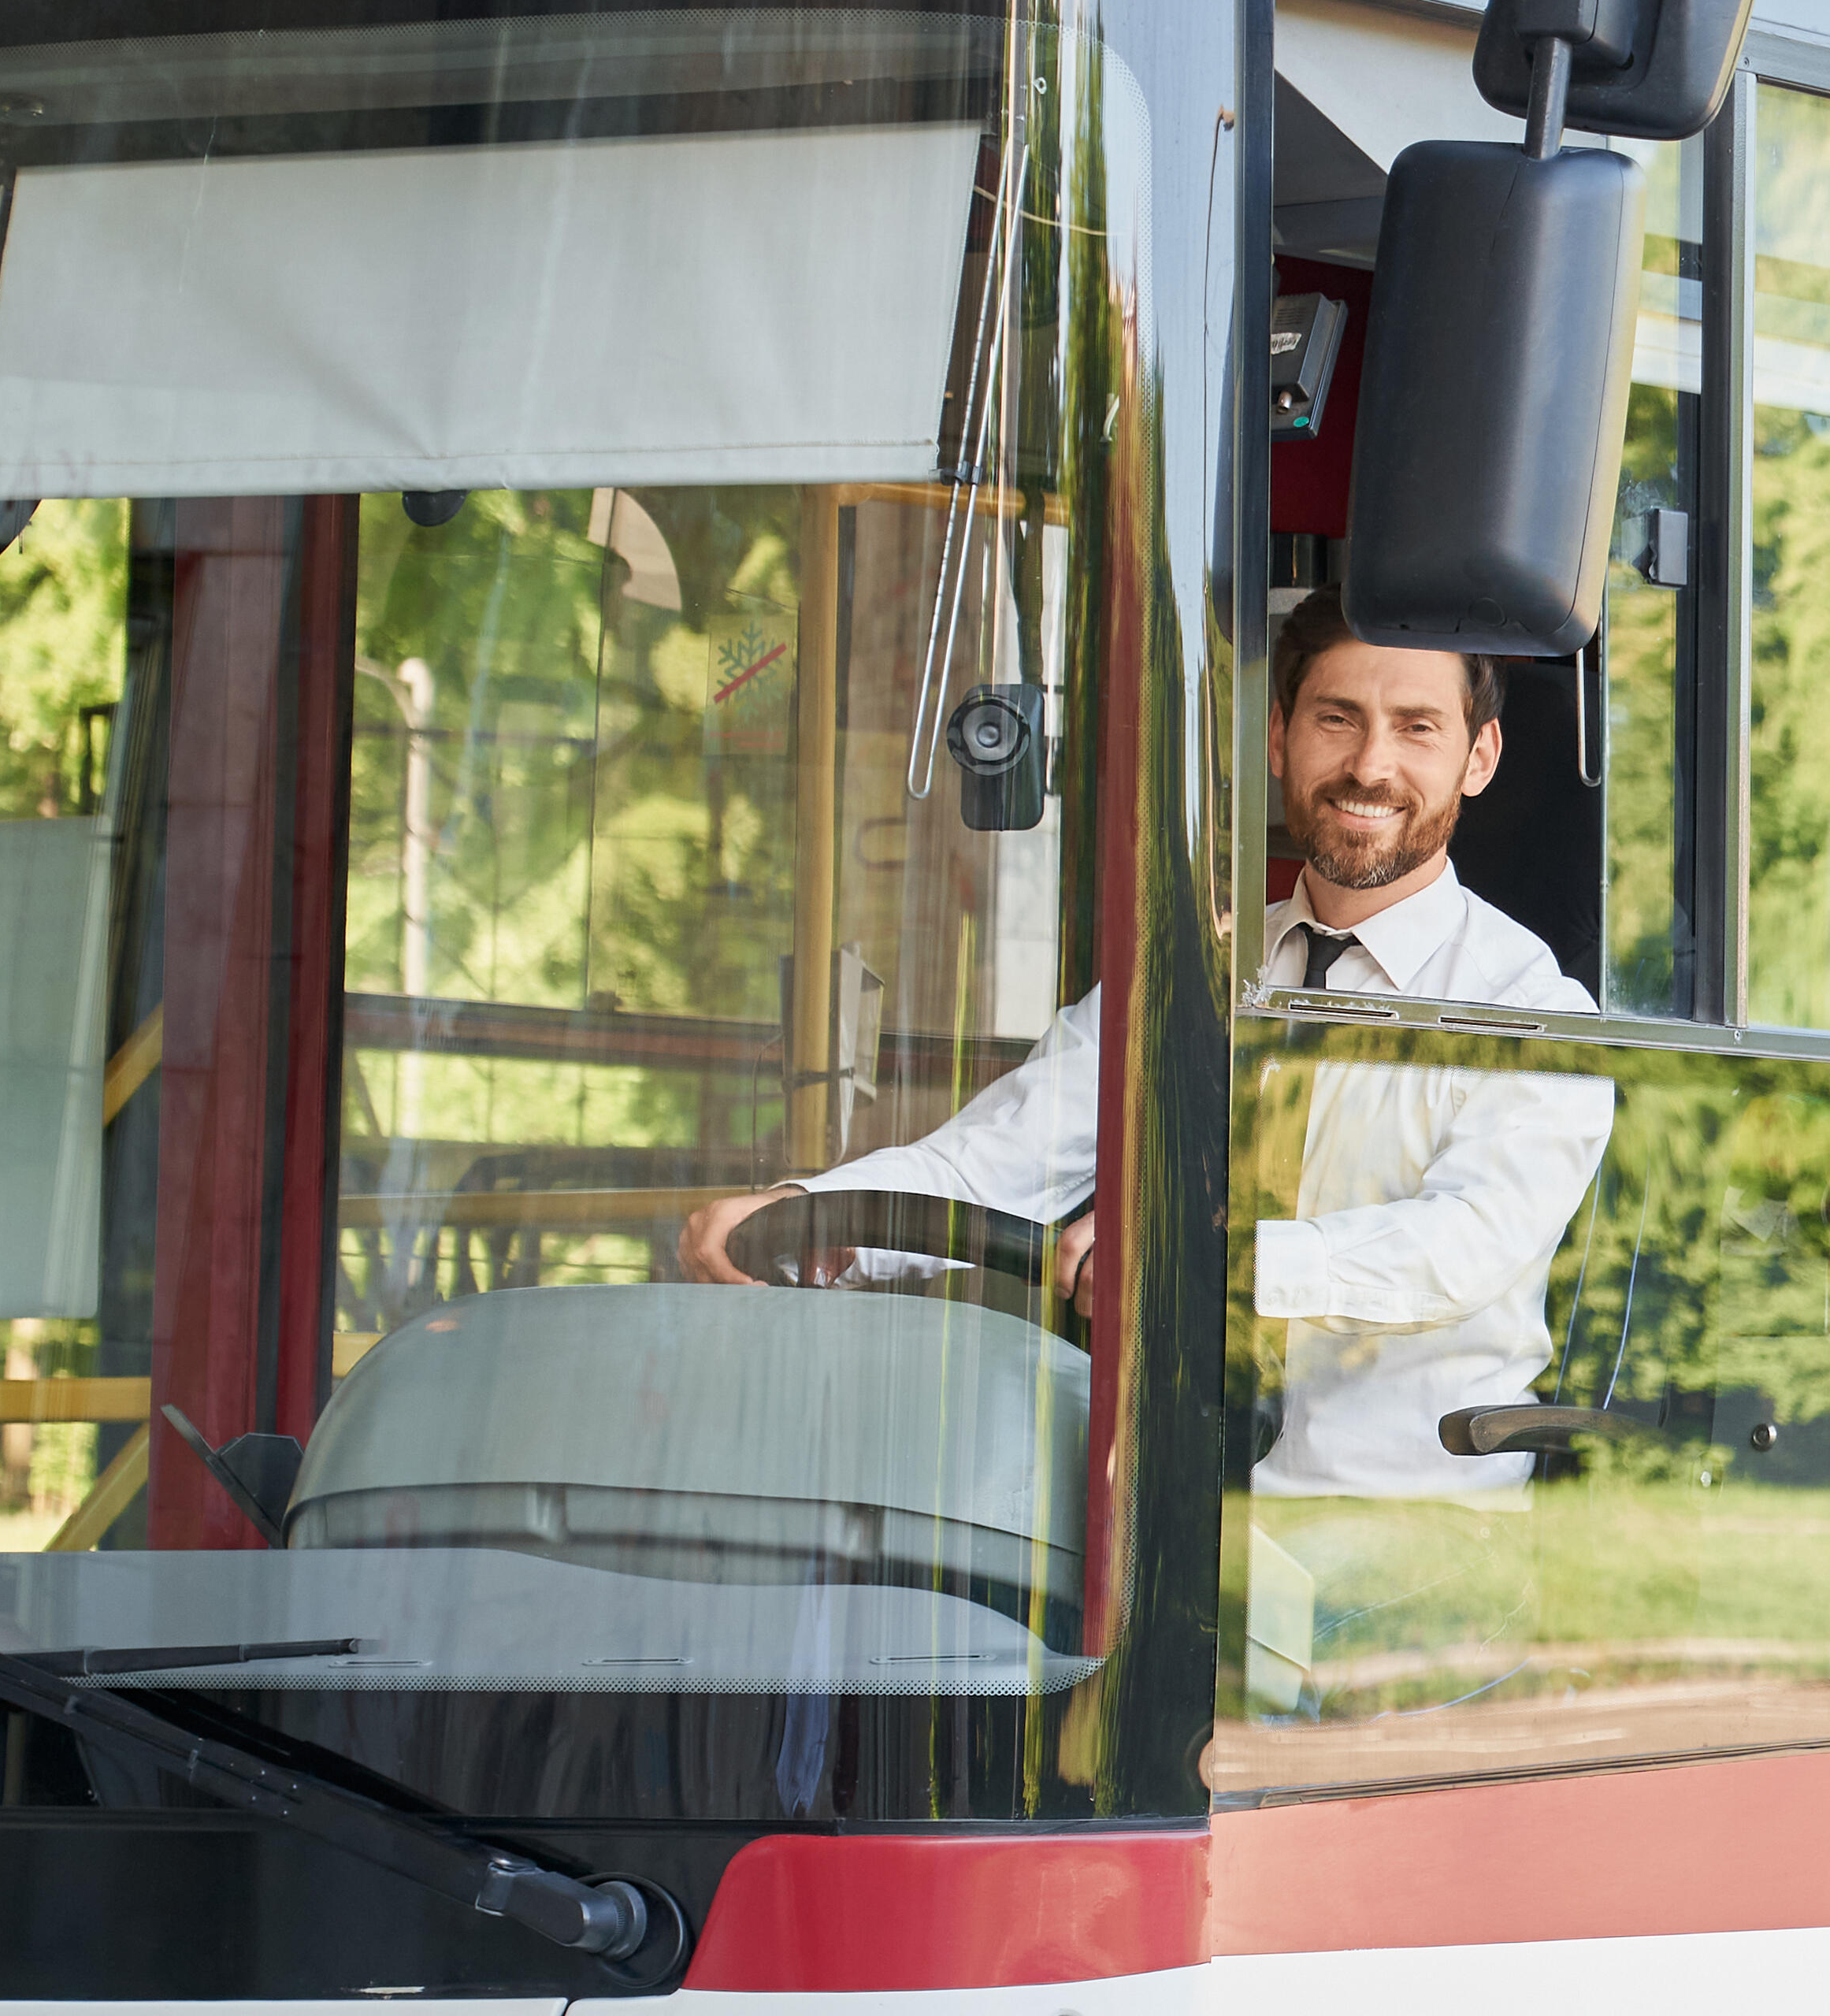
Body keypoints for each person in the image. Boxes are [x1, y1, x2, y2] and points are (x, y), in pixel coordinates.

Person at [677, 594, 1613, 1508]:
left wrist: (1195, 1261)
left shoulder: (1532, 1011)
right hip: (1156, 1528)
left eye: (1417, 728)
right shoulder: (1191, 972)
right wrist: (814, 1210)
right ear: (1280, 735)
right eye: (1339, 718)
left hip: (1396, 1550)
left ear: (1478, 757)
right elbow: (1005, 1154)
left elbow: (1458, 1248)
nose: (1370, 765)